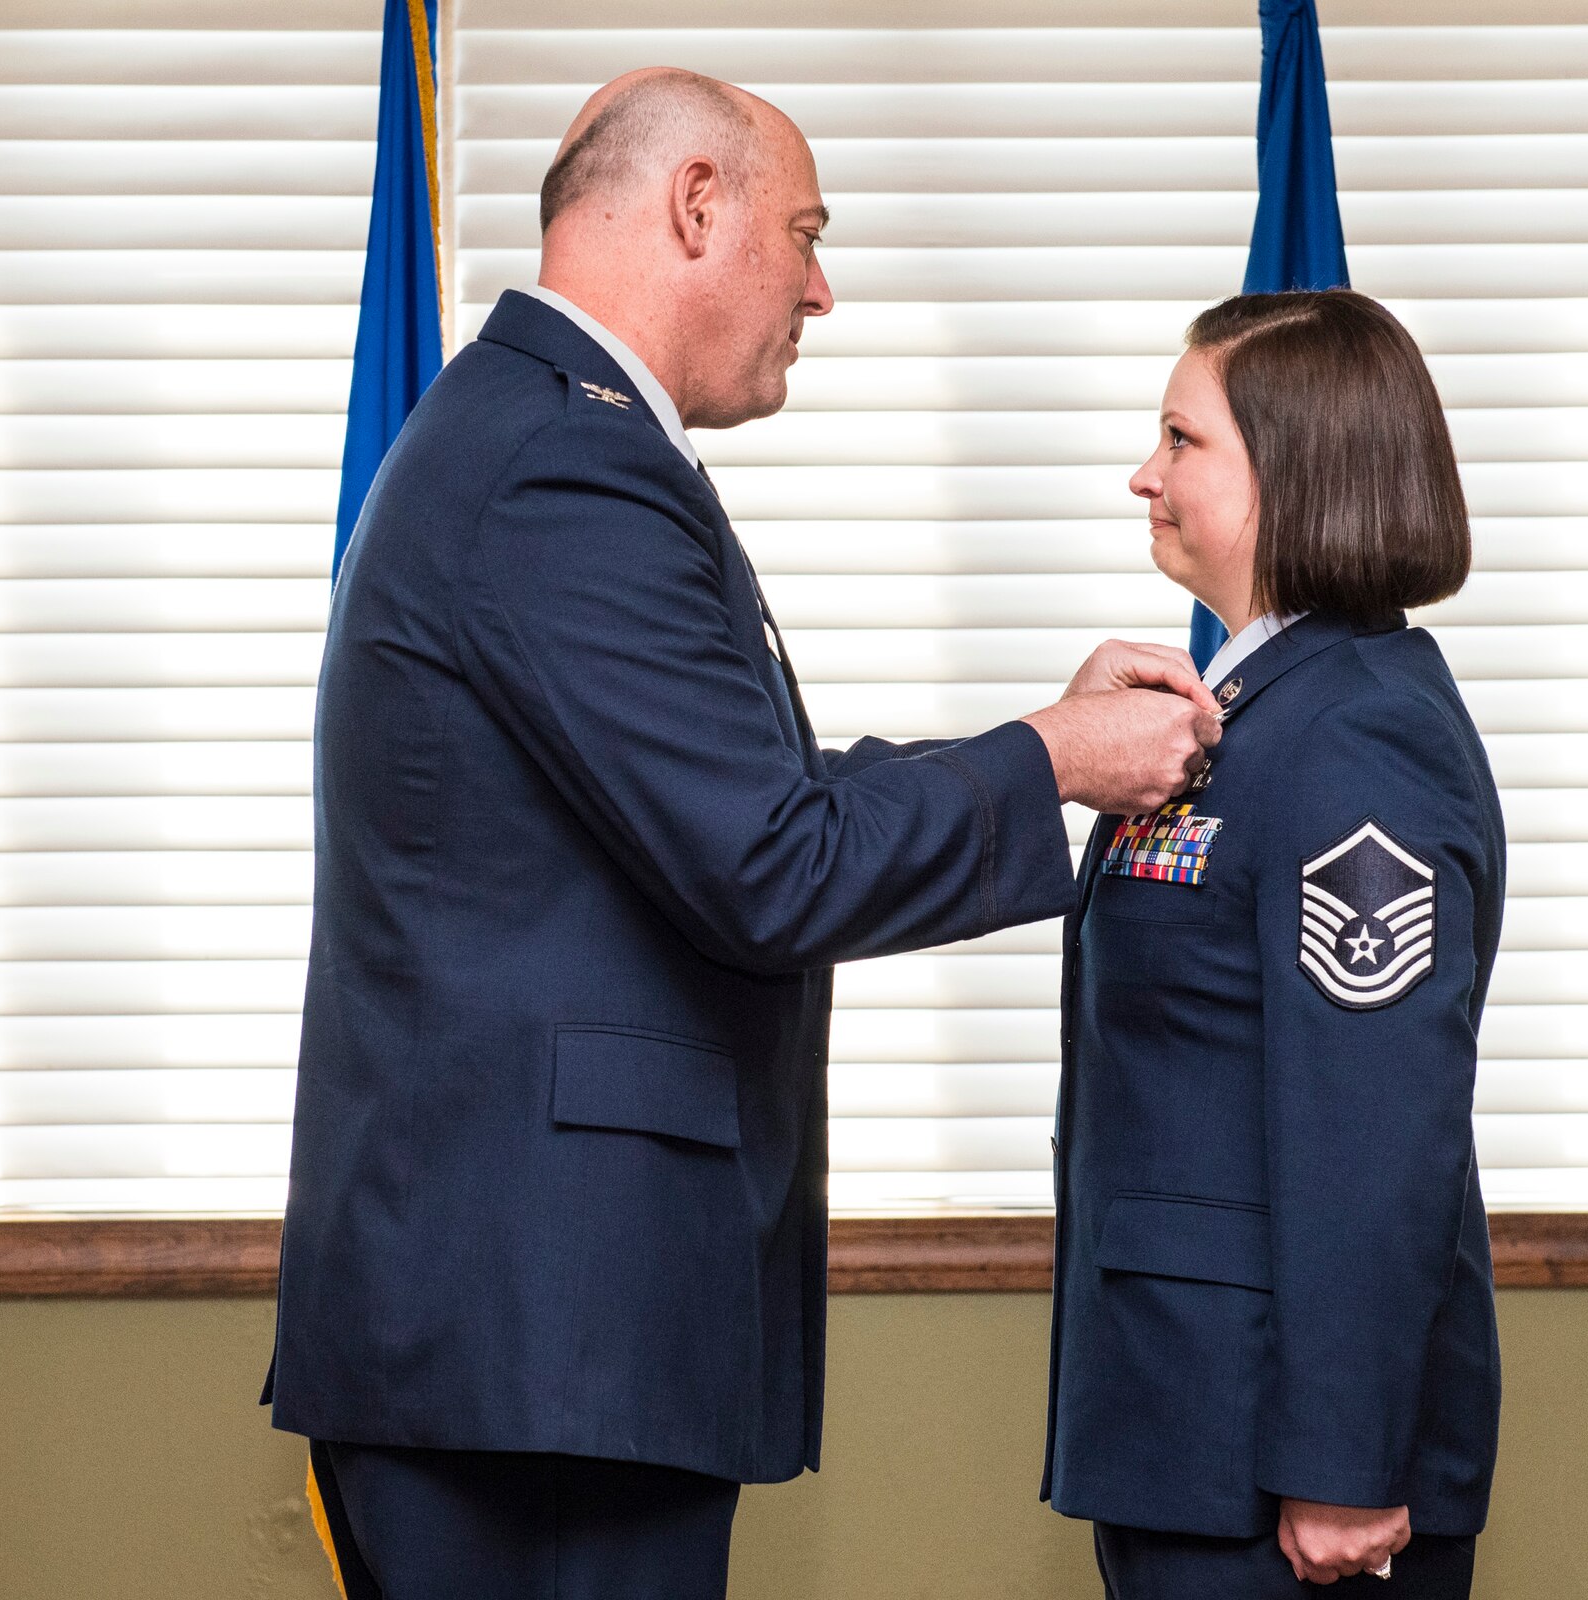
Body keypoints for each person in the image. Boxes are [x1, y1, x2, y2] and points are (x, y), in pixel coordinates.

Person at [265, 69, 1221, 1599]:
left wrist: (1034, 743)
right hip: (540, 1349)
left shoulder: (541, 436)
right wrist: (1050, 761)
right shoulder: (563, 465)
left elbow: (716, 799)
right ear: (698, 206)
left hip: (535, 1344)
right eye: (806, 232)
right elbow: (765, 860)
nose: (823, 291)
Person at [1042, 290, 1505, 1599]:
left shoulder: (1356, 733)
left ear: (1291, 473)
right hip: (1189, 1432)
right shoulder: (1257, 706)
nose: (1145, 471)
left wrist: (1349, 1460)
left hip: (1280, 1466)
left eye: (1183, 440)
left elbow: (1373, 1126)